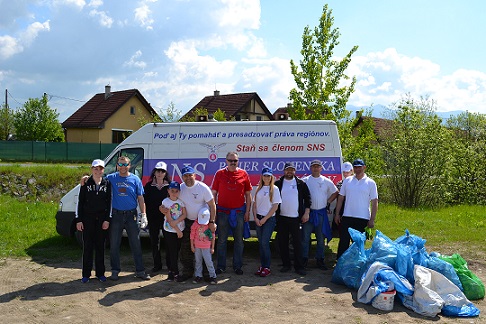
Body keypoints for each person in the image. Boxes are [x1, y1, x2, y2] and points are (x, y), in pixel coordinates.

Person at [160, 166, 217, 282]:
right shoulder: (180, 188)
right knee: (186, 249)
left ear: (195, 175)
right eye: (185, 176)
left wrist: (211, 222)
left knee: (204, 248)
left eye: (190, 175)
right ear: (182, 177)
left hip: (202, 224)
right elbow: (170, 201)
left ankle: (207, 274)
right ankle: (188, 272)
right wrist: (161, 208)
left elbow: (212, 205)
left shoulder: (203, 188)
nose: (188, 178)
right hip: (187, 222)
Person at [104, 156, 150, 280]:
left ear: (130, 165)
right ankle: (114, 270)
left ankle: (140, 271)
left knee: (136, 243)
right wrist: (86, 178)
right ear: (117, 165)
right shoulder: (111, 178)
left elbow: (141, 198)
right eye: (120, 164)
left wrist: (143, 215)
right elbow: (98, 180)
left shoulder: (135, 179)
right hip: (116, 215)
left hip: (131, 215)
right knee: (114, 244)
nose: (123, 167)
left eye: (125, 164)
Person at [211, 151, 252, 275]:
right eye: (230, 160)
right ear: (226, 161)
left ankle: (237, 266)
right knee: (222, 240)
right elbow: (214, 194)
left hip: (239, 212)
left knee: (239, 241)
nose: (233, 163)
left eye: (235, 161)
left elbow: (248, 195)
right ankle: (221, 266)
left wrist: (247, 212)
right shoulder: (219, 174)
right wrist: (214, 212)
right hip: (223, 212)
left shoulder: (244, 174)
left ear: (238, 161)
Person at [334, 159, 378, 260]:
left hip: (362, 218)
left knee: (358, 244)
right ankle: (340, 264)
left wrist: (372, 219)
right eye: (355, 167)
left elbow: (375, 202)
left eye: (359, 167)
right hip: (347, 217)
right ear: (353, 169)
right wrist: (337, 214)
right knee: (343, 242)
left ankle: (357, 265)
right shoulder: (347, 181)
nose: (357, 169)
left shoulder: (371, 183)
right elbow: (341, 198)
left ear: (364, 167)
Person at [76, 159, 112, 283]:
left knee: (100, 247)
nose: (98, 171)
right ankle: (86, 274)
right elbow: (80, 202)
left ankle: (100, 273)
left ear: (103, 170)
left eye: (100, 168)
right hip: (87, 219)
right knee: (88, 247)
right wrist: (79, 220)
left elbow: (109, 203)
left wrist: (107, 220)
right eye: (95, 168)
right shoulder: (86, 183)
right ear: (91, 169)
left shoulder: (107, 183)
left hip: (101, 220)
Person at [301, 160, 339, 270]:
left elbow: (336, 192)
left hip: (321, 213)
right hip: (308, 213)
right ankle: (304, 260)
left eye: (317, 167)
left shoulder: (326, 181)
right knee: (305, 238)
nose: (315, 168)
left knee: (320, 238)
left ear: (321, 168)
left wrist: (328, 202)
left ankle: (320, 260)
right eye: (313, 167)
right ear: (311, 168)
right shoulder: (305, 180)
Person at [274, 162, 311, 276]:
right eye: (287, 170)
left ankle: (299, 266)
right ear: (284, 171)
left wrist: (306, 213)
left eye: (292, 170)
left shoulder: (301, 183)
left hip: (296, 218)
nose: (289, 172)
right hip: (282, 218)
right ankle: (286, 265)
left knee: (297, 243)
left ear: (295, 171)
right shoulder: (278, 183)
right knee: (283, 242)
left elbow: (308, 199)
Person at [252, 167, 281, 277]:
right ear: (262, 176)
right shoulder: (258, 189)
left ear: (272, 177)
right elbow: (254, 205)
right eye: (265, 175)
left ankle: (267, 267)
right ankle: (262, 265)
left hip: (269, 219)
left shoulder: (275, 189)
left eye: (269, 176)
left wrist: (265, 219)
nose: (267, 177)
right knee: (261, 244)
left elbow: (275, 206)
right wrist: (255, 218)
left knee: (265, 242)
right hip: (258, 218)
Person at [143, 161, 170, 274]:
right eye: (158, 171)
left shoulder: (170, 185)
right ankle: (157, 265)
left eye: (162, 171)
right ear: (154, 172)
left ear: (165, 173)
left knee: (169, 241)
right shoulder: (148, 186)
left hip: (167, 218)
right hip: (152, 217)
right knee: (155, 242)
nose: (160, 173)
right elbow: (144, 201)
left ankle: (170, 265)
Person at [160, 181, 186, 281]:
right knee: (172, 251)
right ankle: (174, 272)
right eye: (172, 191)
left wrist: (178, 222)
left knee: (176, 250)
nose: (174, 193)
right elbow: (169, 218)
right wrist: (177, 229)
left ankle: (171, 270)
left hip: (179, 229)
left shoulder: (181, 202)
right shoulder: (165, 202)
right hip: (169, 230)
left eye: (176, 191)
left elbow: (184, 214)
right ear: (168, 191)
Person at [190, 207, 217, 284]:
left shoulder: (210, 225)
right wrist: (192, 245)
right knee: (198, 261)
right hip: (197, 246)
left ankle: (213, 276)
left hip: (206, 247)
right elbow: (192, 235)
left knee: (208, 262)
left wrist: (212, 248)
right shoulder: (195, 224)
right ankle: (198, 276)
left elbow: (213, 237)